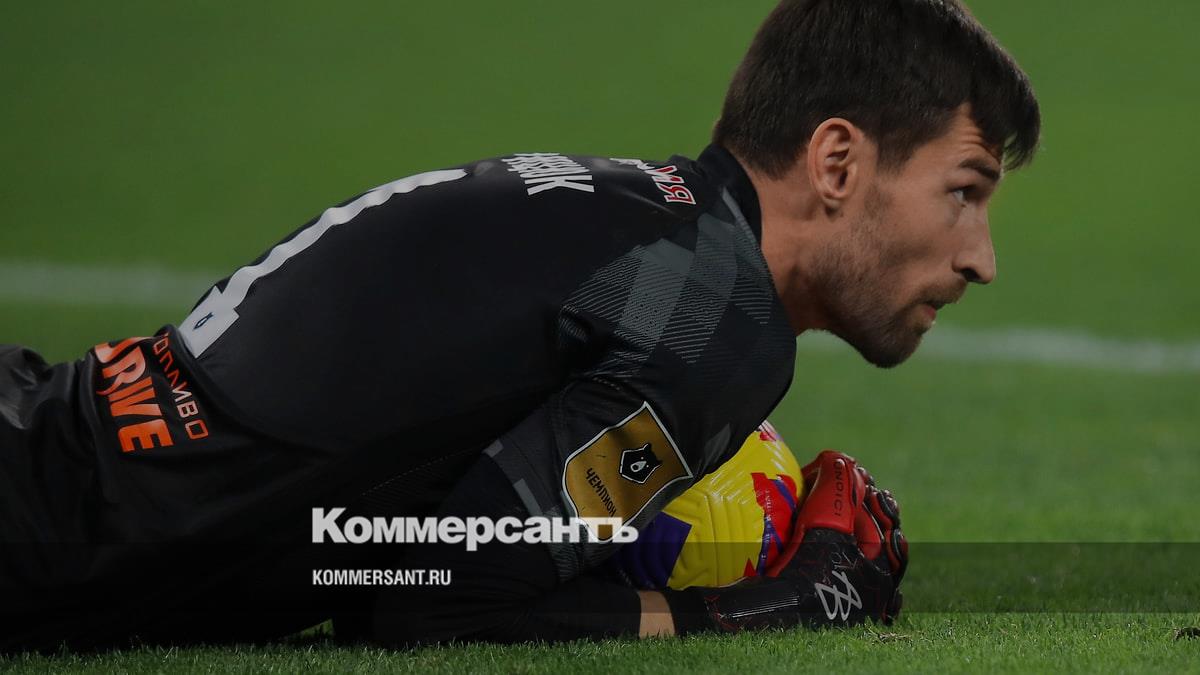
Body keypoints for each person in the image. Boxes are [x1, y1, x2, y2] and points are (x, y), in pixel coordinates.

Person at [0, 0, 1038, 651]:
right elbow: (432, 604)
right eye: (964, 191)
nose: (981, 257)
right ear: (838, 163)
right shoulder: (713, 323)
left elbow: (395, 553)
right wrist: (769, 608)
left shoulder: (638, 213)